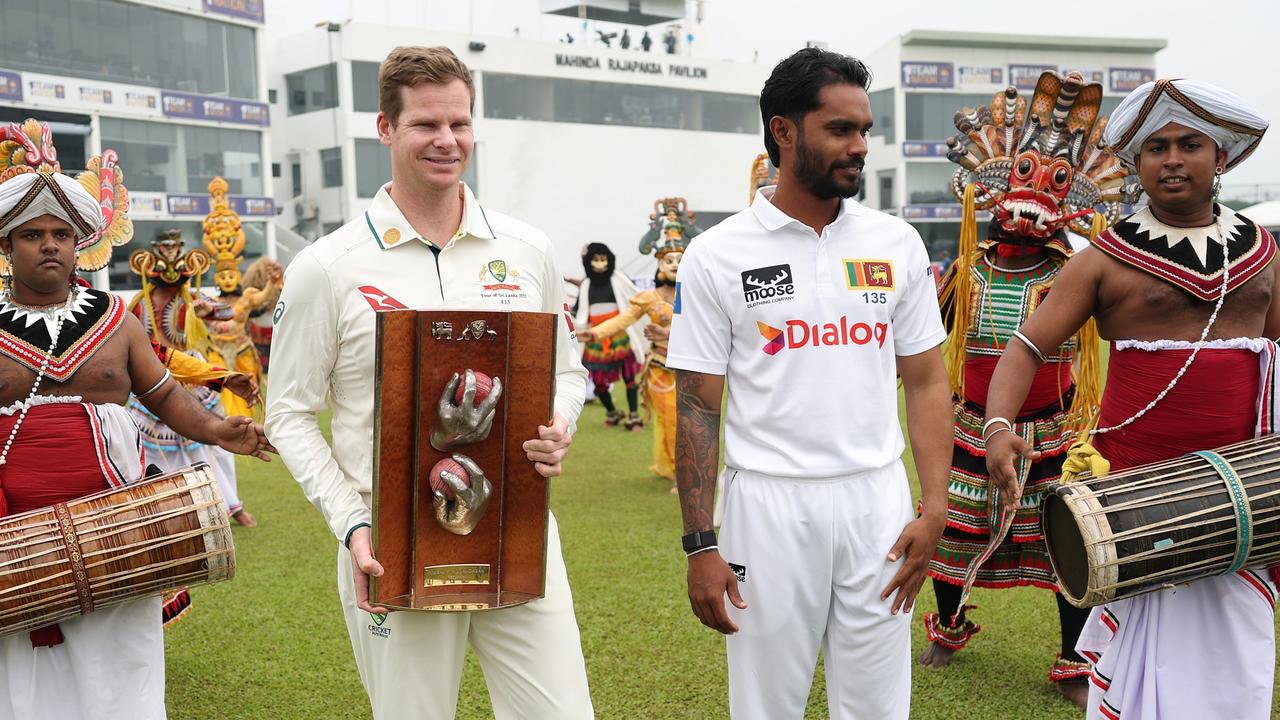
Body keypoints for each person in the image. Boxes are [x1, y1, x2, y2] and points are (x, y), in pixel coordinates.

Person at [264, 46, 593, 720]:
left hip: (517, 529)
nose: (447, 141)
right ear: (386, 129)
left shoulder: (526, 250)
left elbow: (566, 372)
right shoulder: (328, 267)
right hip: (390, 543)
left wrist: (559, 422)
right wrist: (353, 524)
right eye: (425, 125)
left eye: (460, 124)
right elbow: (289, 414)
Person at [666, 47, 951, 719]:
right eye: (840, 130)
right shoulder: (718, 255)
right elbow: (697, 408)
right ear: (784, 132)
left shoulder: (895, 244)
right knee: (767, 705)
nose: (859, 147)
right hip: (765, 508)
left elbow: (927, 382)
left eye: (864, 131)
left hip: (876, 503)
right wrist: (701, 546)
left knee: (878, 704)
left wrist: (934, 507)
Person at [984, 78, 1276, 720]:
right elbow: (1027, 346)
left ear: (1220, 157)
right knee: (1138, 664)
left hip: (1245, 496)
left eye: (1190, 144)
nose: (1172, 159)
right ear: (1137, 164)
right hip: (1137, 496)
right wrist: (1000, 423)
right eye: (1156, 147)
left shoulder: (1265, 254)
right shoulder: (1102, 260)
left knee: (1236, 659)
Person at [0, 119, 271, 720]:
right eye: (32, 235)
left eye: (62, 235)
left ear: (80, 245)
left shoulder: (115, 319)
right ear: (6, 246)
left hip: (118, 521)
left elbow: (165, 394)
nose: (50, 245)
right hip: (10, 532)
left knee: (119, 659)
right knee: (17, 664)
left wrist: (218, 428)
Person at [919, 71, 1130, 708]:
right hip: (968, 425)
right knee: (953, 527)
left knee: (1069, 540)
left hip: (1054, 430)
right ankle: (948, 628)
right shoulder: (967, 268)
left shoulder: (1079, 272)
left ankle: (1072, 659)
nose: (1034, 196)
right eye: (1026, 175)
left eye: (1056, 181)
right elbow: (928, 348)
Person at [128, 229, 258, 527]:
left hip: (195, 378)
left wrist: (209, 309)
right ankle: (172, 509)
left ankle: (232, 505)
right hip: (154, 377)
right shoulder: (138, 304)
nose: (171, 260)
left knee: (216, 444)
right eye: (165, 251)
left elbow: (229, 313)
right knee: (154, 448)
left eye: (176, 251)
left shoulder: (195, 299)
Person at [582, 201, 697, 490]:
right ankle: (678, 471)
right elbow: (623, 320)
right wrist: (594, 333)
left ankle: (684, 465)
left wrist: (667, 330)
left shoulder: (697, 293)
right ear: (659, 265)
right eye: (669, 261)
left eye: (680, 260)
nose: (675, 265)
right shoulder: (648, 298)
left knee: (695, 422)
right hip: (660, 368)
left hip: (694, 366)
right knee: (671, 419)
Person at [198, 175, 282, 421]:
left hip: (242, 351)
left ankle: (245, 420)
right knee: (219, 391)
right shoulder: (209, 301)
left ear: (238, 274)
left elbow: (264, 298)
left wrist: (271, 282)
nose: (226, 279)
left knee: (247, 390)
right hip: (218, 354)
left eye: (230, 274)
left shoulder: (246, 297)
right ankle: (223, 419)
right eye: (221, 275)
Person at [572, 242, 645, 429]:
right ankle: (612, 412)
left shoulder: (619, 278)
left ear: (609, 260)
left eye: (603, 259)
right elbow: (579, 311)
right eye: (595, 259)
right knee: (598, 381)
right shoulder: (586, 285)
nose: (599, 263)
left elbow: (634, 298)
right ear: (589, 262)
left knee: (629, 378)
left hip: (620, 335)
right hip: (595, 338)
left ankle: (634, 415)